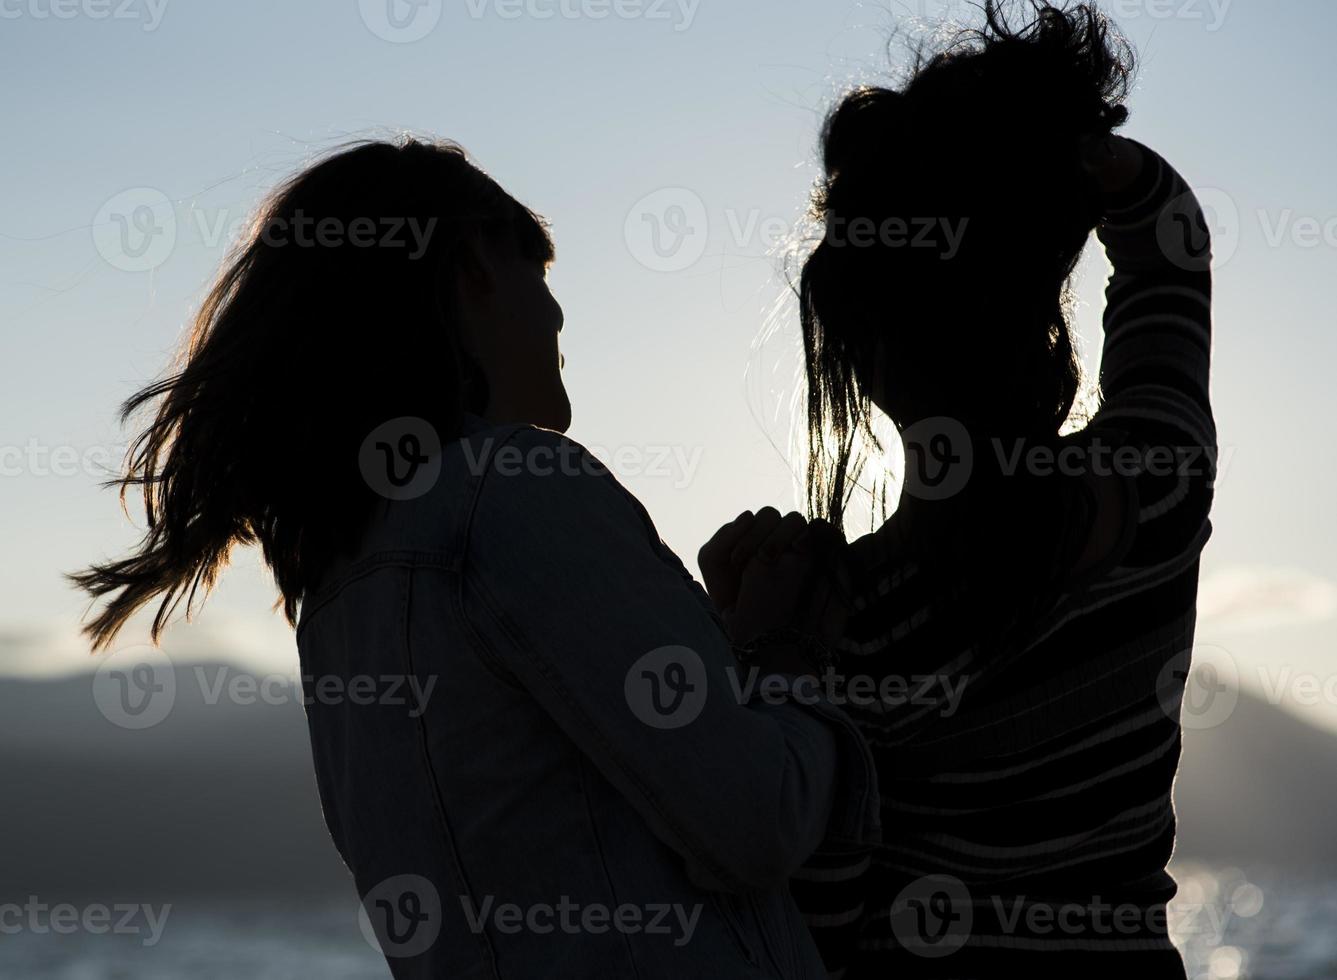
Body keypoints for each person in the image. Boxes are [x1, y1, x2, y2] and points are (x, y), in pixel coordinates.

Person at [70, 138, 879, 978]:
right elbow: (755, 820)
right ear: (473, 270)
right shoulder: (519, 491)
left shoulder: (340, 586)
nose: (559, 317)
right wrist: (783, 651)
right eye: (539, 273)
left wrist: (704, 642)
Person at [702, 3, 1215, 976]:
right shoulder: (1155, 490)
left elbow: (814, 920)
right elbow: (1167, 253)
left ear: (857, 346)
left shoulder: (845, 623)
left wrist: (760, 650)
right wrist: (1073, 167)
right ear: (1041, 288)